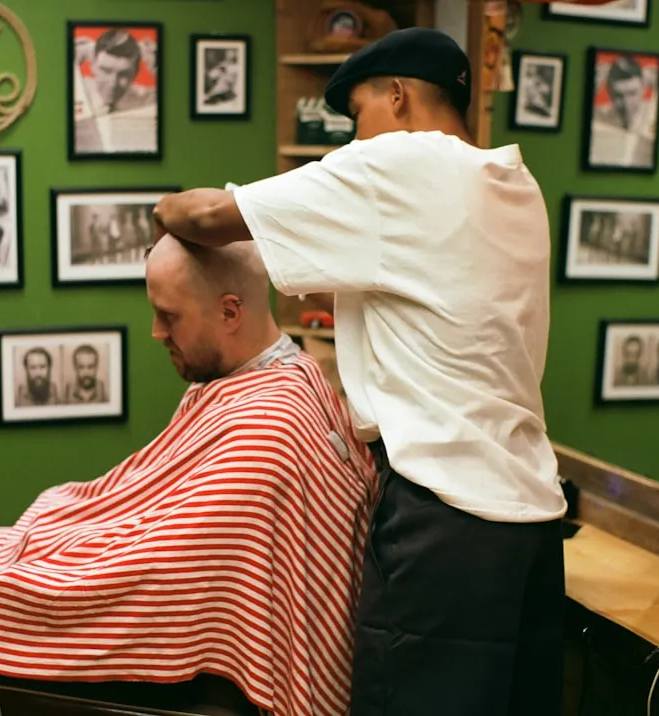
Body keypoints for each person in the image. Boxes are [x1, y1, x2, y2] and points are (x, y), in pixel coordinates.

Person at [151, 27, 567, 716]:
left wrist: (160, 213)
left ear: (397, 96)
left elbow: (203, 213)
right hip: (531, 526)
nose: (353, 138)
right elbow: (425, 293)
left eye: (358, 115)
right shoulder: (513, 183)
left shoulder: (397, 163)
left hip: (444, 520)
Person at [0, 236, 378, 716]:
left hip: (171, 649)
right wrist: (67, 534)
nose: (156, 332)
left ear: (230, 312)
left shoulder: (270, 431)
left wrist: (38, 573)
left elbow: (157, 575)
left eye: (170, 316)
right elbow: (158, 511)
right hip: (128, 559)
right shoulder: (279, 376)